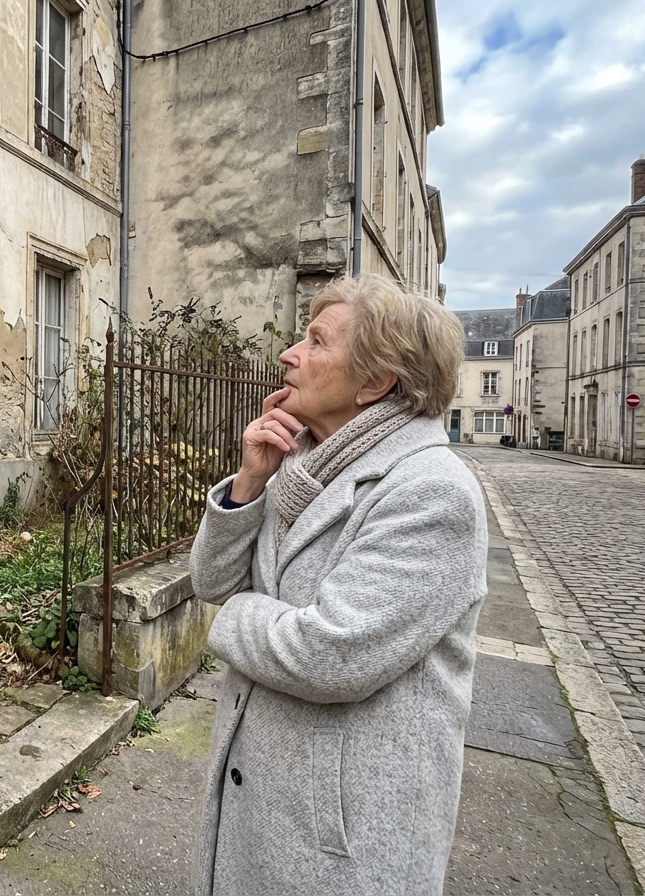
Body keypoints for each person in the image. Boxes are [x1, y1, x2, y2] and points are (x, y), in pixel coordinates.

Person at [190, 274, 486, 896]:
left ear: (376, 382)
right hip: (262, 799)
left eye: (316, 342)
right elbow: (211, 580)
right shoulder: (302, 465)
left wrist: (233, 620)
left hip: (342, 839)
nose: (289, 355)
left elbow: (329, 654)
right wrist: (248, 484)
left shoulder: (431, 490)